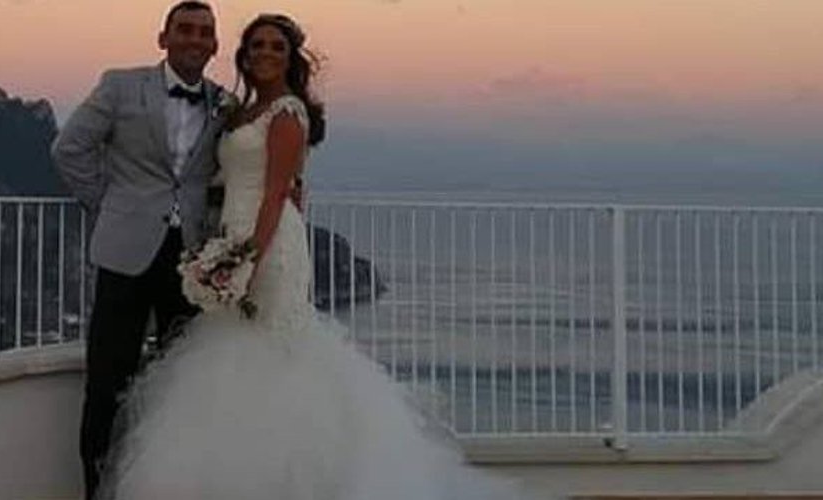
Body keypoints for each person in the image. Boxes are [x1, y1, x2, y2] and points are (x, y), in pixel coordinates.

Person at [98, 13, 536, 500]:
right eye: (257, 45)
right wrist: (221, 247)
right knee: (229, 350)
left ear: (291, 59)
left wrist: (247, 258)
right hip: (233, 236)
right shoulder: (238, 110)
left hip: (266, 244)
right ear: (243, 55)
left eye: (277, 47)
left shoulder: (287, 112)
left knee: (270, 350)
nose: (266, 53)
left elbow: (275, 193)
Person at [49, 2, 230, 498]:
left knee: (181, 382)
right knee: (106, 382)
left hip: (191, 260)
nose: (195, 39)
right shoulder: (120, 85)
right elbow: (69, 150)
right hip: (125, 252)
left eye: (205, 32)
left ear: (215, 45)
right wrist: (110, 206)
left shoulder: (225, 103)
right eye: (185, 29)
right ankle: (96, 490)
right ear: (163, 38)